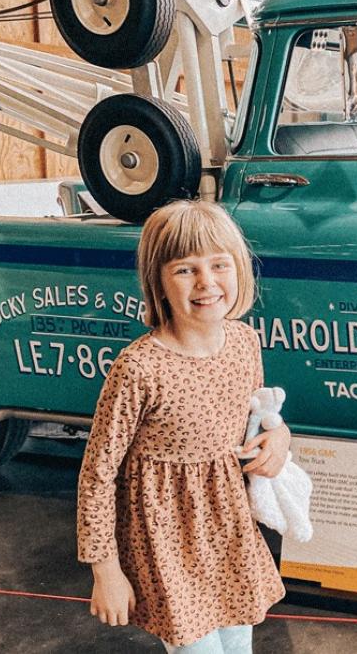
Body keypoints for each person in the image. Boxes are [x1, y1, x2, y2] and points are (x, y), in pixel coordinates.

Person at [76, 200, 289, 653]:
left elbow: (259, 414)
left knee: (238, 647)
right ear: (159, 282)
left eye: (219, 265)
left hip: (228, 532)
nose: (207, 282)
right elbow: (97, 475)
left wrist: (279, 436)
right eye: (185, 270)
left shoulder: (244, 342)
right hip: (167, 543)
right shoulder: (138, 368)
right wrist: (106, 570)